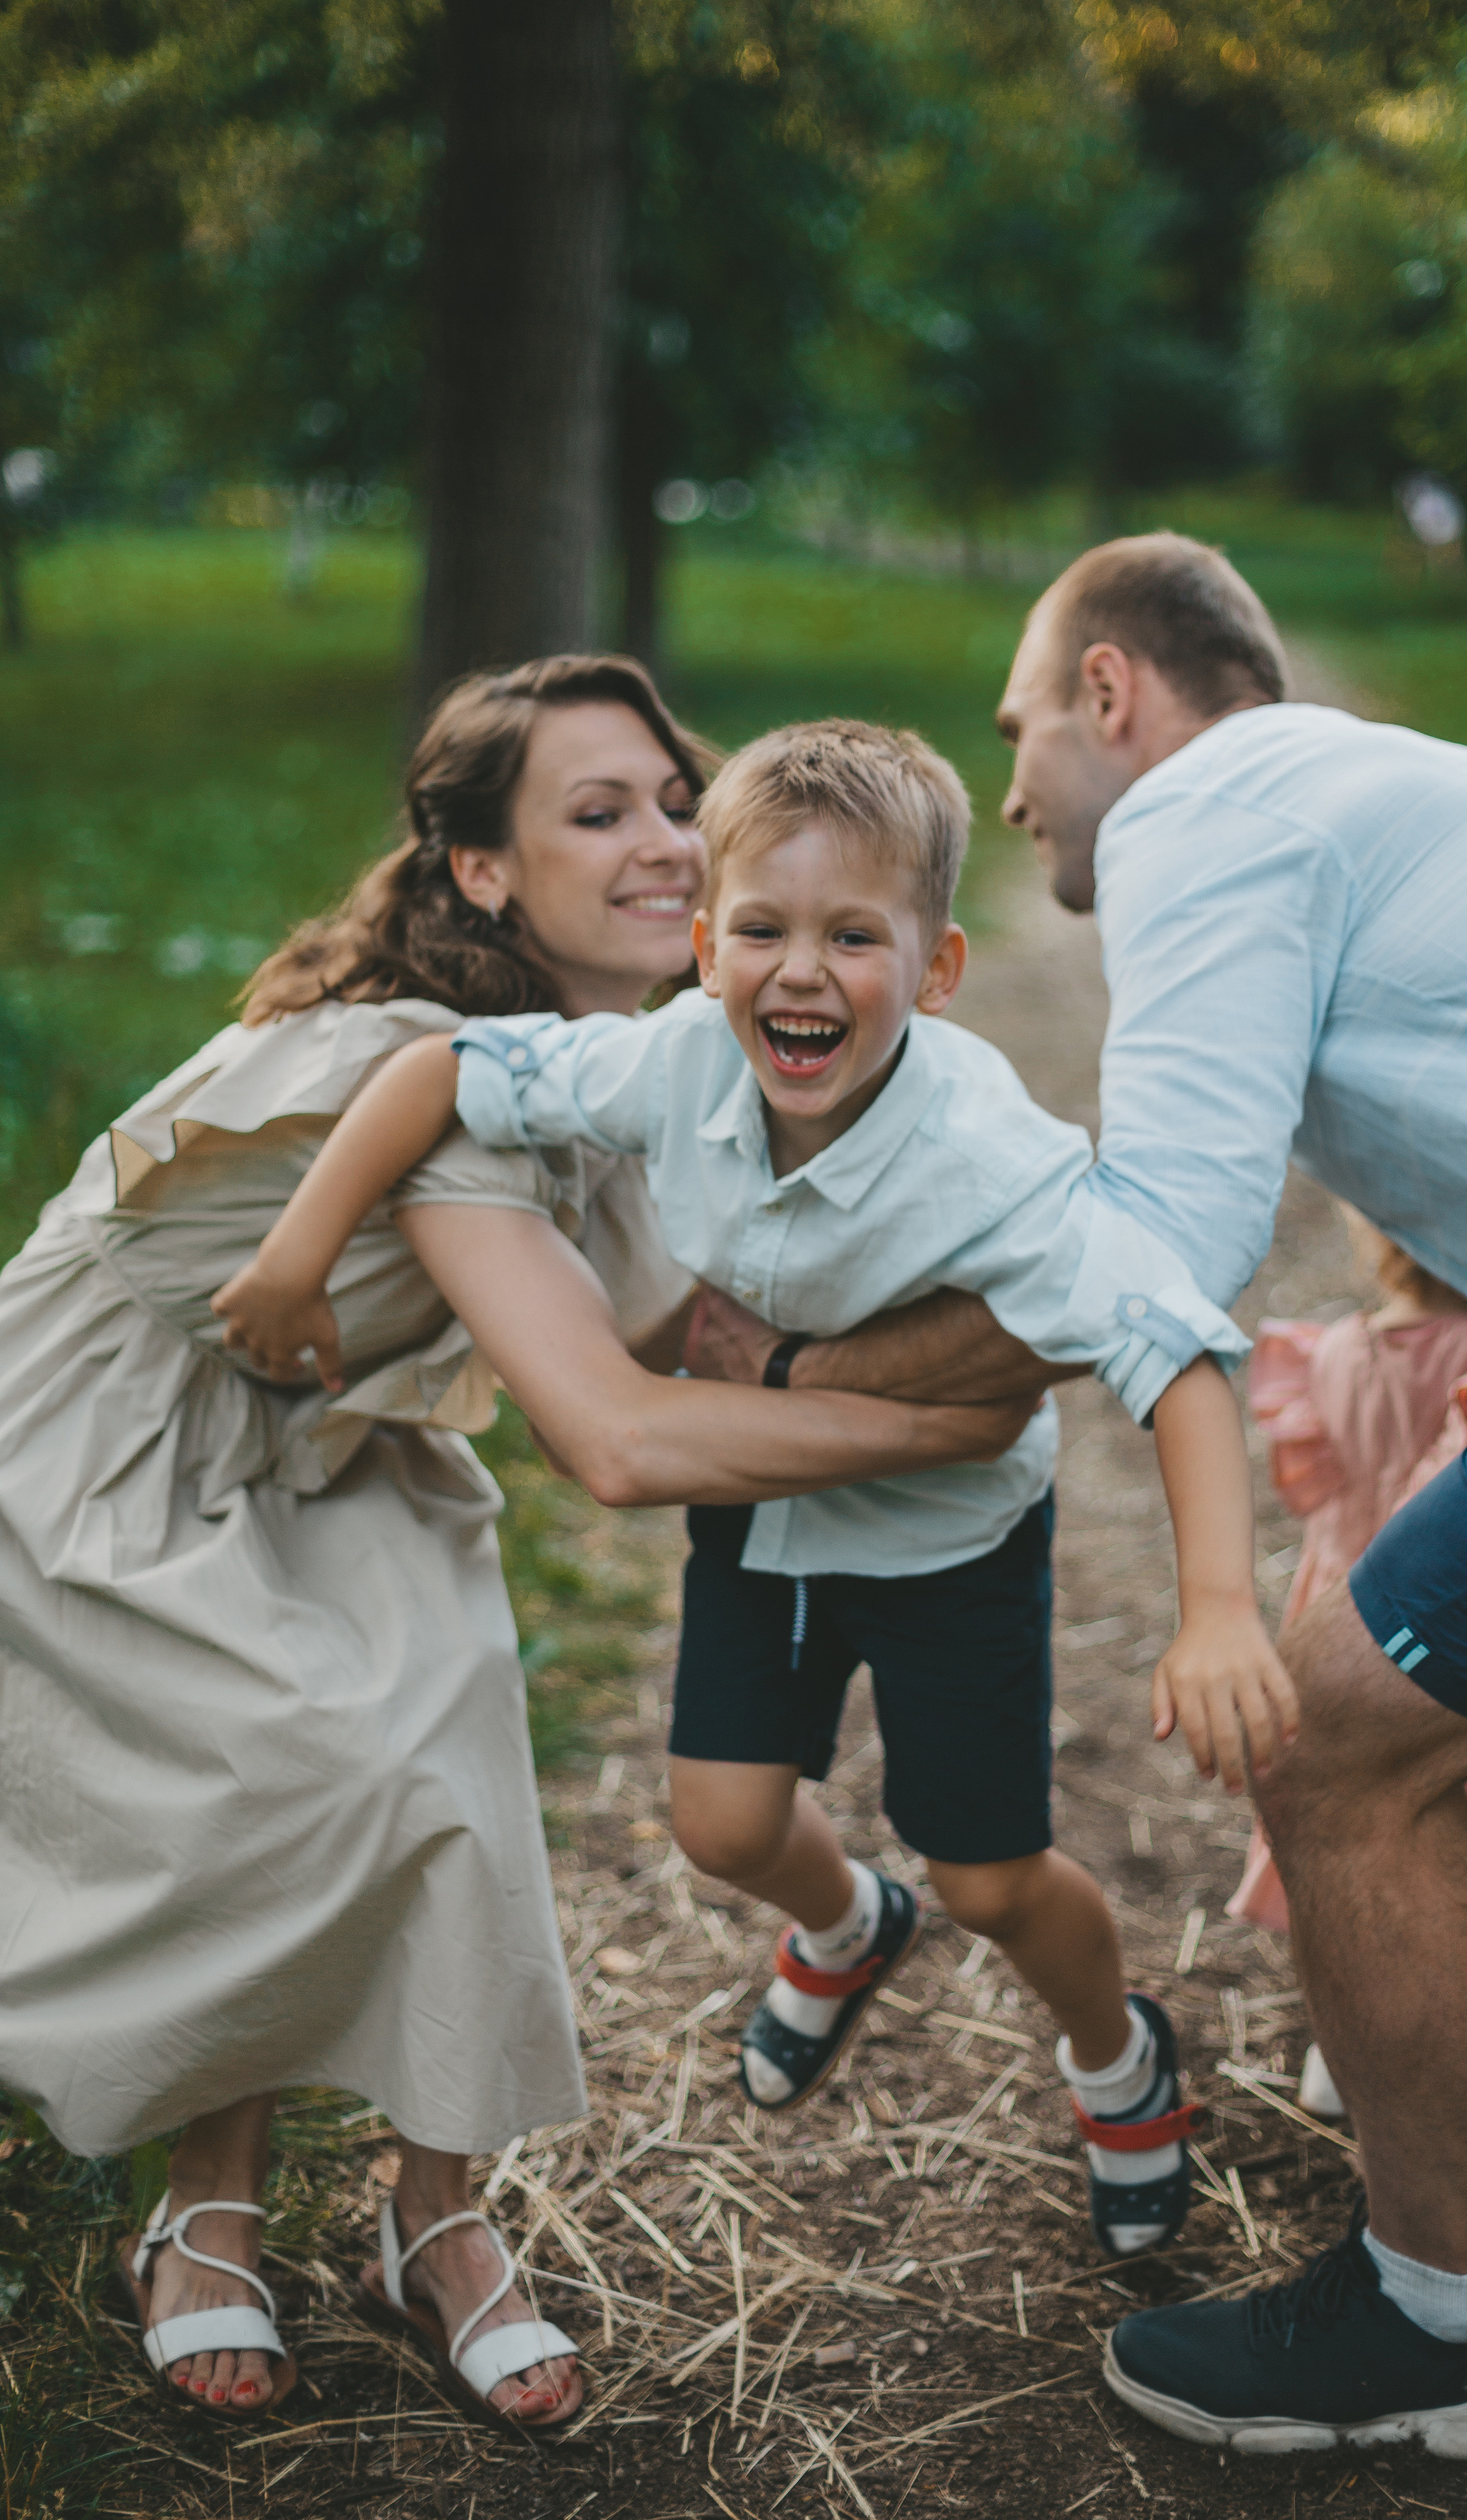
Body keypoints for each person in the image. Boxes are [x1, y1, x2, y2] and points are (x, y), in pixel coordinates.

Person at [693, 534, 1467, 2461]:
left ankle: (1435, 2328)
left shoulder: (1213, 800)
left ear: (1114, 694)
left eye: (1021, 728)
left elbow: (1163, 1251)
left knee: (1339, 1746)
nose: (1009, 791)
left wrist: (803, 1377)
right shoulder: (1389, 794)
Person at [0, 657, 1026, 2432]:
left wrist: (1023, 1296)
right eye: (594, 812)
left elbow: (722, 1337)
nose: (661, 843)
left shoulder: (616, 1073)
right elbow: (622, 1441)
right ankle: (203, 2204)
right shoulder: (428, 1073)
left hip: (326, 1427)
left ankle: (438, 2221)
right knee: (301, 1759)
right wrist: (953, 1420)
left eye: (668, 802)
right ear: (481, 871)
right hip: (112, 1435)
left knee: (451, 1733)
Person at [214, 717, 1290, 2260]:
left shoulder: (992, 1155)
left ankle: (1116, 2056)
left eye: (854, 936)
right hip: (765, 1517)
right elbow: (442, 1071)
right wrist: (295, 1254)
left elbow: (1175, 1355)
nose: (801, 974)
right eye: (765, 932)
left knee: (987, 1874)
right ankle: (850, 1922)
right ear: (705, 949)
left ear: (934, 971)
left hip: (948, 1551)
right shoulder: (672, 1059)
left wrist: (1213, 1610)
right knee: (721, 1827)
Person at [1229, 1216, 1467, 2145]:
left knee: (1350, 1855)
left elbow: (1324, 1496)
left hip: (1340, 1627)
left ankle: (1347, 2048)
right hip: (1461, 1642)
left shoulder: (1333, 1352)